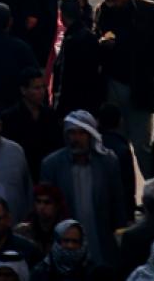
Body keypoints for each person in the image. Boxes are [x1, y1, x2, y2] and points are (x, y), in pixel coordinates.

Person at [93, 0, 154, 174]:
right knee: (117, 145)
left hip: (141, 85)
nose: (112, 4)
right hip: (114, 84)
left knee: (142, 145)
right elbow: (96, 38)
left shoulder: (150, 11)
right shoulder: (103, 12)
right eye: (108, 0)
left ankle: (153, 191)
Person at [40, 114, 126, 268]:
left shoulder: (108, 162)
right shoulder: (52, 164)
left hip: (101, 238)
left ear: (90, 135)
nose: (76, 138)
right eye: (72, 133)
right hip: (67, 241)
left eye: (81, 133)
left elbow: (118, 201)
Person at [3, 70, 65, 180]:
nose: (42, 92)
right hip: (21, 172)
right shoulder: (10, 117)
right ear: (23, 90)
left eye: (43, 87)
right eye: (36, 88)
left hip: (47, 172)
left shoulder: (50, 115)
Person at [52, 0, 102, 119]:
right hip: (90, 102)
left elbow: (64, 78)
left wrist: (58, 109)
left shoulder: (71, 40)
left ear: (62, 15)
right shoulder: (90, 36)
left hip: (72, 104)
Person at [29, 220, 100, 281]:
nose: (70, 246)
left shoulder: (94, 273)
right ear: (57, 242)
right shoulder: (41, 272)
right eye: (66, 241)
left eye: (75, 241)